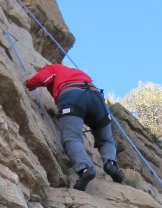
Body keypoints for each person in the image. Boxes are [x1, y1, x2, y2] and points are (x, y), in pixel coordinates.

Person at [25, 62, 125, 190]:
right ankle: (111, 163)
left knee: (72, 138)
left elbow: (43, 78)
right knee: (106, 139)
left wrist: (29, 84)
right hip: (96, 98)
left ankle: (85, 169)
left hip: (73, 96)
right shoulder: (80, 73)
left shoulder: (54, 68)